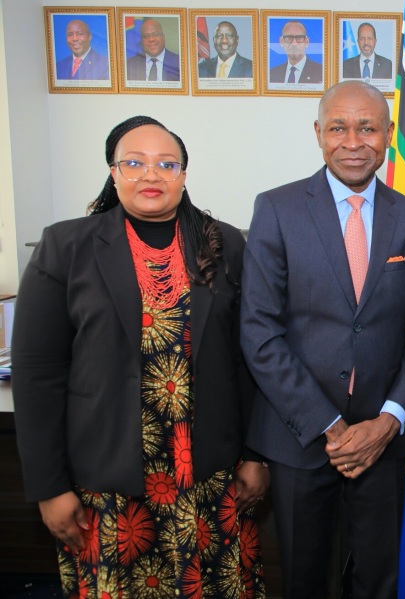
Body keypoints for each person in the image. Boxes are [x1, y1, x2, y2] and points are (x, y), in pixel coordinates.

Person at [12, 116, 267, 597]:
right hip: (108, 486)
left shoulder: (223, 242)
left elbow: (247, 358)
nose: (151, 175)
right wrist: (49, 487)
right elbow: (37, 375)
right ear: (113, 173)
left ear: (184, 175)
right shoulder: (66, 247)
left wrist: (256, 455)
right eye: (134, 163)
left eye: (166, 164)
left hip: (210, 478)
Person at [240, 80, 405, 598]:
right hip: (300, 437)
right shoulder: (277, 209)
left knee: (377, 579)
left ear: (389, 134)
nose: (354, 141)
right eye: (339, 127)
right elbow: (259, 332)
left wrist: (387, 421)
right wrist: (330, 426)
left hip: (382, 439)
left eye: (368, 127)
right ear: (318, 134)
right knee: (307, 579)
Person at [269, 20, 323, 85]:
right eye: (289, 38)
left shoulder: (321, 72)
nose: (294, 43)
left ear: (306, 42)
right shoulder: (272, 74)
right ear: (281, 42)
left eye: (299, 38)